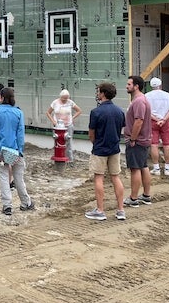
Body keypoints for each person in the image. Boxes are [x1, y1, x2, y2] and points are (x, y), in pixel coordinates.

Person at [85, 82, 126, 221]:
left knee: (99, 177)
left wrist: (95, 143)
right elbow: (121, 129)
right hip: (115, 148)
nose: (97, 94)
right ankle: (121, 210)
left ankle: (100, 210)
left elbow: (91, 133)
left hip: (100, 148)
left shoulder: (95, 112)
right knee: (116, 177)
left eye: (98, 92)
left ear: (102, 94)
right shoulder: (120, 111)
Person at [0, 87, 34, 215]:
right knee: (18, 177)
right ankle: (26, 202)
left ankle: (7, 205)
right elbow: (20, 134)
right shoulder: (18, 113)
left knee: (4, 176)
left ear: (2, 97)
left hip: (1, 149)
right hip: (15, 149)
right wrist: (20, 150)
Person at [124, 75, 153, 208]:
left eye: (129, 84)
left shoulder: (139, 101)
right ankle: (146, 196)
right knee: (143, 166)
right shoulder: (141, 100)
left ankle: (133, 198)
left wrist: (133, 139)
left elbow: (138, 121)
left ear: (136, 86)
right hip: (144, 140)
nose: (127, 86)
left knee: (135, 168)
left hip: (138, 140)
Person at [146, 77, 169, 176]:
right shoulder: (168, 95)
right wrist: (163, 120)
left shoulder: (147, 96)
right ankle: (167, 169)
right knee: (167, 145)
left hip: (153, 121)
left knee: (154, 144)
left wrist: (157, 119)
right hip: (166, 121)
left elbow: (147, 111)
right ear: (160, 85)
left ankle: (156, 168)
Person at [45, 89, 82, 162]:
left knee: (69, 142)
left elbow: (79, 110)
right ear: (60, 97)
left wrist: (72, 117)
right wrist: (53, 121)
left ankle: (69, 160)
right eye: (63, 98)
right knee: (58, 142)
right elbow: (48, 112)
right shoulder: (55, 102)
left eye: (66, 98)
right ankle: (58, 157)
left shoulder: (70, 102)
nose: (65, 100)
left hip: (68, 125)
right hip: (58, 126)